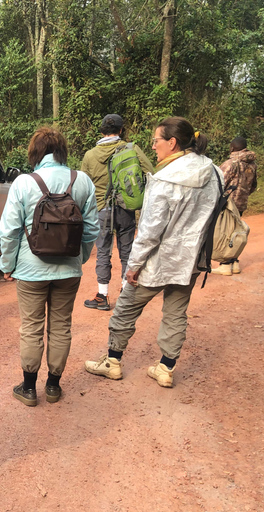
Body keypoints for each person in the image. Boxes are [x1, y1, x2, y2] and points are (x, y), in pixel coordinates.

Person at [85, 117, 221, 388]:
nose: (153, 146)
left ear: (172, 143)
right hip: (192, 259)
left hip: (158, 261)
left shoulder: (165, 179)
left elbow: (149, 232)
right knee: (176, 312)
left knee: (125, 309)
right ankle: (165, 368)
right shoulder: (214, 172)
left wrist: (133, 267)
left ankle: (112, 362)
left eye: (156, 141)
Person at [0, 127, 99, 406]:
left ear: (36, 153)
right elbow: (91, 229)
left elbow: (9, 231)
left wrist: (7, 265)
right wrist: (80, 257)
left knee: (31, 327)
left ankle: (29, 389)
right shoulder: (82, 181)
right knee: (61, 326)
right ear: (62, 151)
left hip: (31, 270)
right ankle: (53, 386)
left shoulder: (23, 182)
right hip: (69, 270)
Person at [81, 114, 154, 311]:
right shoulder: (132, 149)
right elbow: (150, 172)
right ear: (121, 130)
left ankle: (102, 296)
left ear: (101, 131)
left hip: (101, 210)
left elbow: (85, 186)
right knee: (127, 250)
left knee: (103, 251)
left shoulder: (90, 155)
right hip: (125, 208)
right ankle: (125, 293)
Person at [212, 136, 257, 275]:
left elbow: (219, 182)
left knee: (225, 232)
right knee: (236, 231)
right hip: (242, 202)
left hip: (228, 203)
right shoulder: (252, 164)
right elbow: (253, 185)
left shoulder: (231, 163)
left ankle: (225, 264)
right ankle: (234, 262)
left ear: (232, 148)